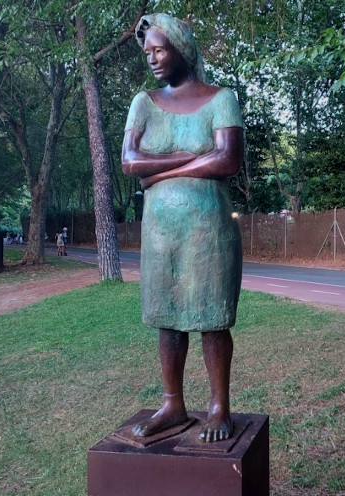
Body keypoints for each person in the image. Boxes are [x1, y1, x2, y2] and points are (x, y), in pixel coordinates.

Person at [121, 13, 244, 443]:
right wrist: (189, 163)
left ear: (181, 49)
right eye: (148, 52)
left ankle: (218, 406)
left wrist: (157, 174)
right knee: (168, 319)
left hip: (209, 227)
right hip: (160, 231)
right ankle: (173, 402)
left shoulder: (221, 98)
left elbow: (228, 159)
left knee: (212, 318)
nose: (152, 59)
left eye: (160, 49)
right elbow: (129, 163)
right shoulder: (144, 102)